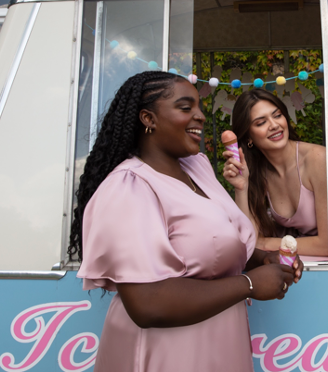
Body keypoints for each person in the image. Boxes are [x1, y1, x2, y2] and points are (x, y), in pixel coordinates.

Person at [71, 72, 300, 371]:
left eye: (199, 108)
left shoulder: (198, 167)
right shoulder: (128, 186)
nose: (200, 116)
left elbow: (213, 247)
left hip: (221, 343)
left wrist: (263, 260)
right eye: (185, 107)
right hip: (166, 353)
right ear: (148, 118)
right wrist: (249, 284)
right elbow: (147, 303)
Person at [222, 89, 328, 257]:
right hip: (294, 265)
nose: (274, 125)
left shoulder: (317, 159)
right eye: (261, 123)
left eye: (277, 115)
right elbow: (248, 238)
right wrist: (241, 188)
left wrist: (266, 242)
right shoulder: (257, 171)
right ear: (249, 137)